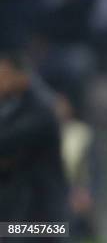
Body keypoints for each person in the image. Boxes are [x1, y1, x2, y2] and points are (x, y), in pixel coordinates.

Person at [0, 51, 69, 241]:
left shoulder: (41, 111)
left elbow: (7, 140)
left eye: (3, 75)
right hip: (19, 214)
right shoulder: (12, 108)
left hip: (44, 217)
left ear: (21, 75)